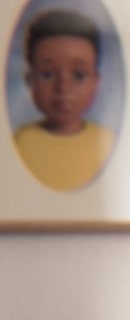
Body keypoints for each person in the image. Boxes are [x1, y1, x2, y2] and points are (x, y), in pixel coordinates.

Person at [14, 8, 115, 192]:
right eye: (47, 74)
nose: (63, 87)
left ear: (96, 82)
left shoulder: (107, 144)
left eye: (78, 75)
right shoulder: (19, 144)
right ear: (30, 81)